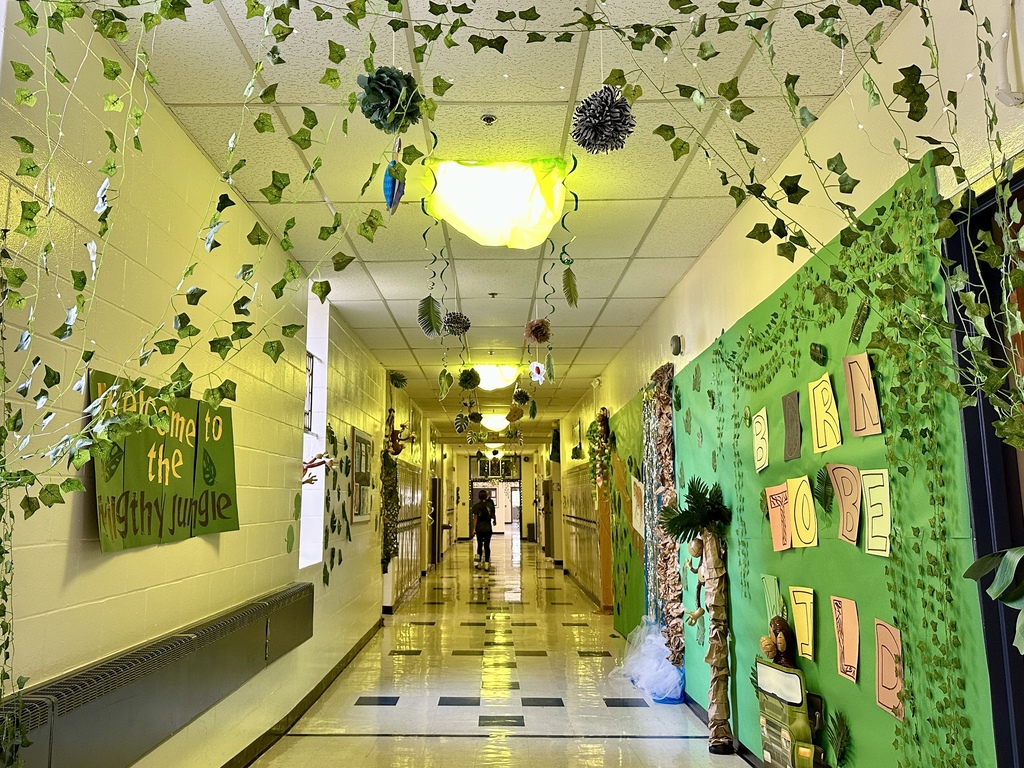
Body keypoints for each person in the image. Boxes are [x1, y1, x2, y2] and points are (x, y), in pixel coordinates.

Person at [471, 489, 496, 570]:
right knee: (487, 546)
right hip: (488, 529)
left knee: (479, 546)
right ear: (486, 496)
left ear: (479, 497)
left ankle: (478, 563)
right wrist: (494, 521)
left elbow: (475, 519)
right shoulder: (490, 505)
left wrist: (473, 530)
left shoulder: (475, 506)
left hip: (479, 529)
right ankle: (486, 564)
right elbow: (493, 515)